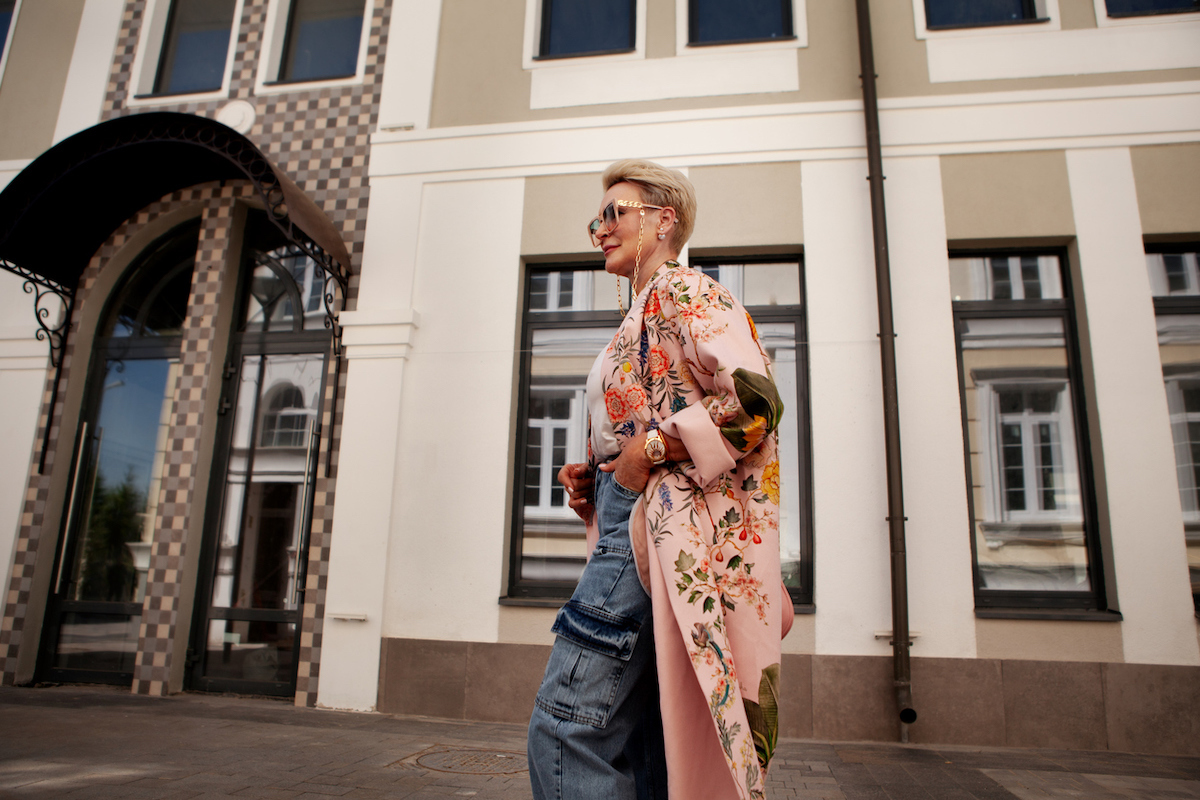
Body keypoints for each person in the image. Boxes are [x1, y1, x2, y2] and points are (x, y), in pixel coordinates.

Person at [527, 160, 789, 800]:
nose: (601, 230)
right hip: (637, 524)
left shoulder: (688, 292)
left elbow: (756, 402)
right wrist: (597, 474)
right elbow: (648, 420)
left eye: (615, 213)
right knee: (644, 742)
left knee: (566, 727)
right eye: (599, 219)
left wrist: (647, 449)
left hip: (656, 530)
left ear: (663, 219)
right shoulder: (639, 315)